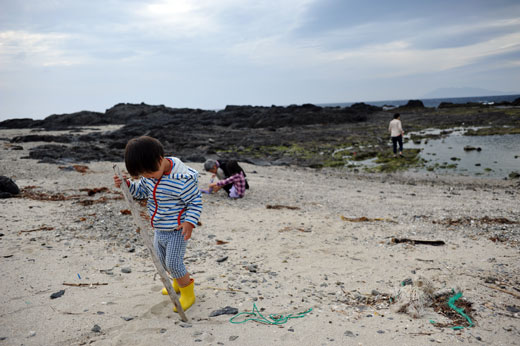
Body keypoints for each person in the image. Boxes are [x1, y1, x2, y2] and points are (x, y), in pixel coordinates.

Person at [113, 136, 202, 312]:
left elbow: (195, 202)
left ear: (160, 160)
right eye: (143, 175)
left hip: (177, 230)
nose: (147, 177)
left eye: (149, 174)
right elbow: (140, 192)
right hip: (159, 227)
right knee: (162, 262)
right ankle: (177, 283)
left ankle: (188, 293)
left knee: (174, 263)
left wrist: (190, 222)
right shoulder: (150, 175)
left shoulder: (182, 179)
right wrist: (127, 184)